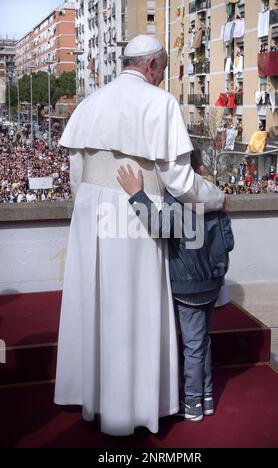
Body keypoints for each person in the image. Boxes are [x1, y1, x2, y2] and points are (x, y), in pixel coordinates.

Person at [54, 35, 227, 436]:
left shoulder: (90, 102)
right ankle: (134, 407)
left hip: (92, 214)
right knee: (133, 312)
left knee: (100, 309)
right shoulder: (160, 103)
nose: (162, 77)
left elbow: (76, 176)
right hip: (135, 216)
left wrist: (90, 212)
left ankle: (98, 403)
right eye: (163, 69)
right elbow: (181, 183)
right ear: (151, 65)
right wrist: (217, 197)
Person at [116, 163, 233, 421]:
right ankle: (207, 396)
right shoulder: (214, 195)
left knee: (193, 345)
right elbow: (229, 242)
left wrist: (137, 194)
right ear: (200, 167)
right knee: (202, 341)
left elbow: (159, 226)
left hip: (186, 285)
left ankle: (192, 404)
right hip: (212, 281)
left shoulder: (176, 197)